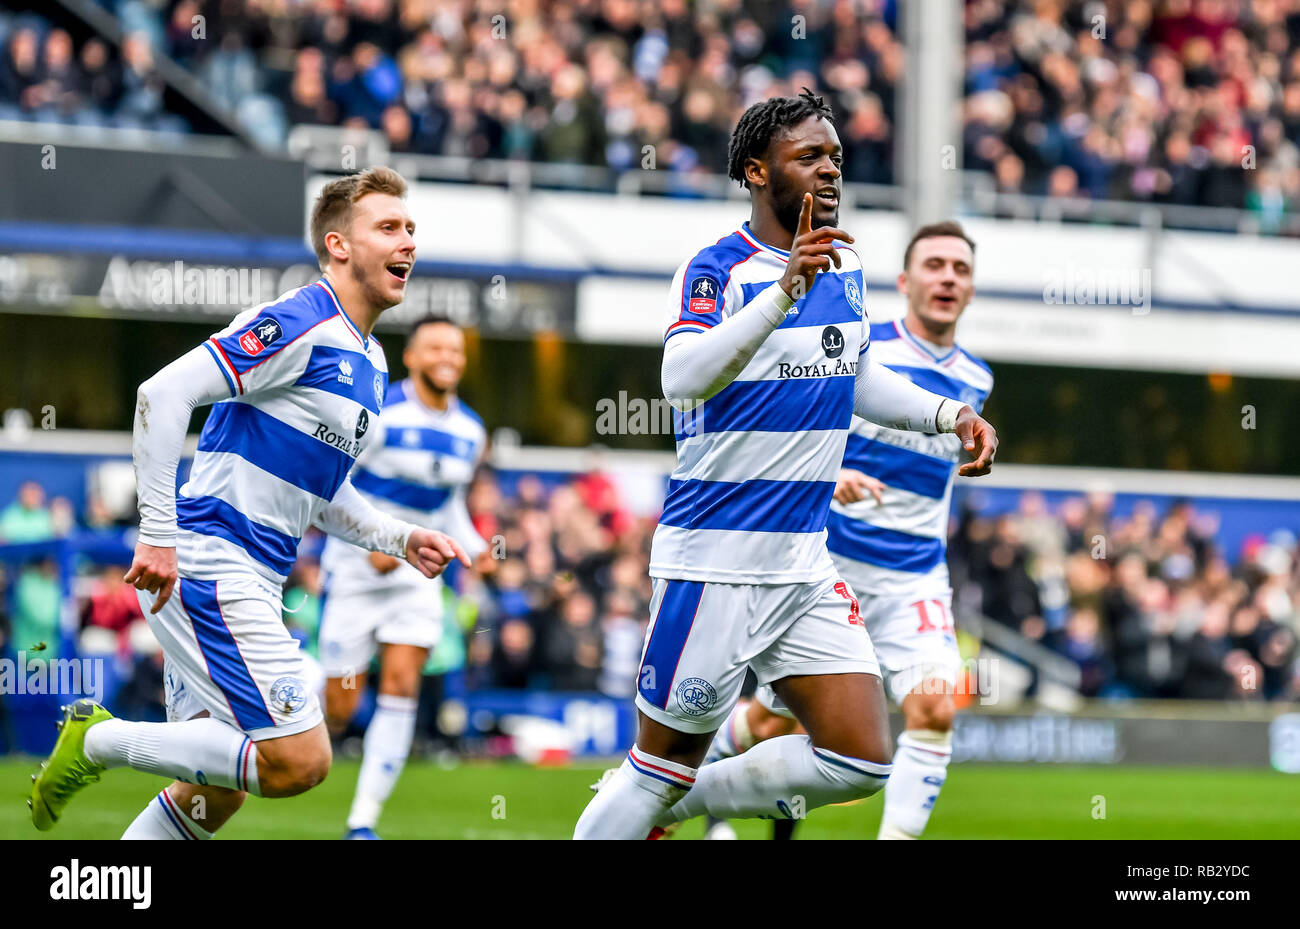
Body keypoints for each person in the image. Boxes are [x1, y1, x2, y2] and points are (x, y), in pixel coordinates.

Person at [574, 90, 998, 839]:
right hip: (716, 560)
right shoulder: (716, 271)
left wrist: (947, 414)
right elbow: (681, 377)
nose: (829, 168)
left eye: (835, 154)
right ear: (757, 172)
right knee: (658, 764)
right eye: (809, 156)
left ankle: (690, 803)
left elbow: (855, 371)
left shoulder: (847, 265)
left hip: (802, 563)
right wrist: (781, 293)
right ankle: (660, 797)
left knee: (862, 756)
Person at [29, 166, 471, 839]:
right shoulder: (299, 320)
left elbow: (319, 493)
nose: (408, 241)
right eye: (388, 227)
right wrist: (158, 534)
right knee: (300, 759)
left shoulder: (372, 361)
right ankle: (99, 739)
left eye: (410, 228)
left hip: (247, 577)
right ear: (339, 245)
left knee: (215, 794)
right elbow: (162, 394)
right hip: (210, 566)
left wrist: (399, 538)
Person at [702, 222, 994, 840]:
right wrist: (830, 475)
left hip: (915, 574)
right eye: (935, 265)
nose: (947, 277)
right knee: (773, 725)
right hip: (831, 567)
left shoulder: (978, 378)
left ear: (970, 290)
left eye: (960, 269)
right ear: (905, 281)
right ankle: (698, 799)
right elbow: (799, 423)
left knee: (935, 708)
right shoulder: (859, 344)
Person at [318, 314, 489, 840]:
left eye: (455, 351)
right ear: (410, 357)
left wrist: (477, 547)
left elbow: (448, 502)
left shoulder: (471, 431)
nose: (447, 358)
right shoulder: (379, 413)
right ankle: (290, 686)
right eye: (435, 348)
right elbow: (332, 480)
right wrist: (375, 540)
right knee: (341, 706)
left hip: (418, 573)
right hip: (355, 569)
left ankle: (362, 822)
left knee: (400, 688)